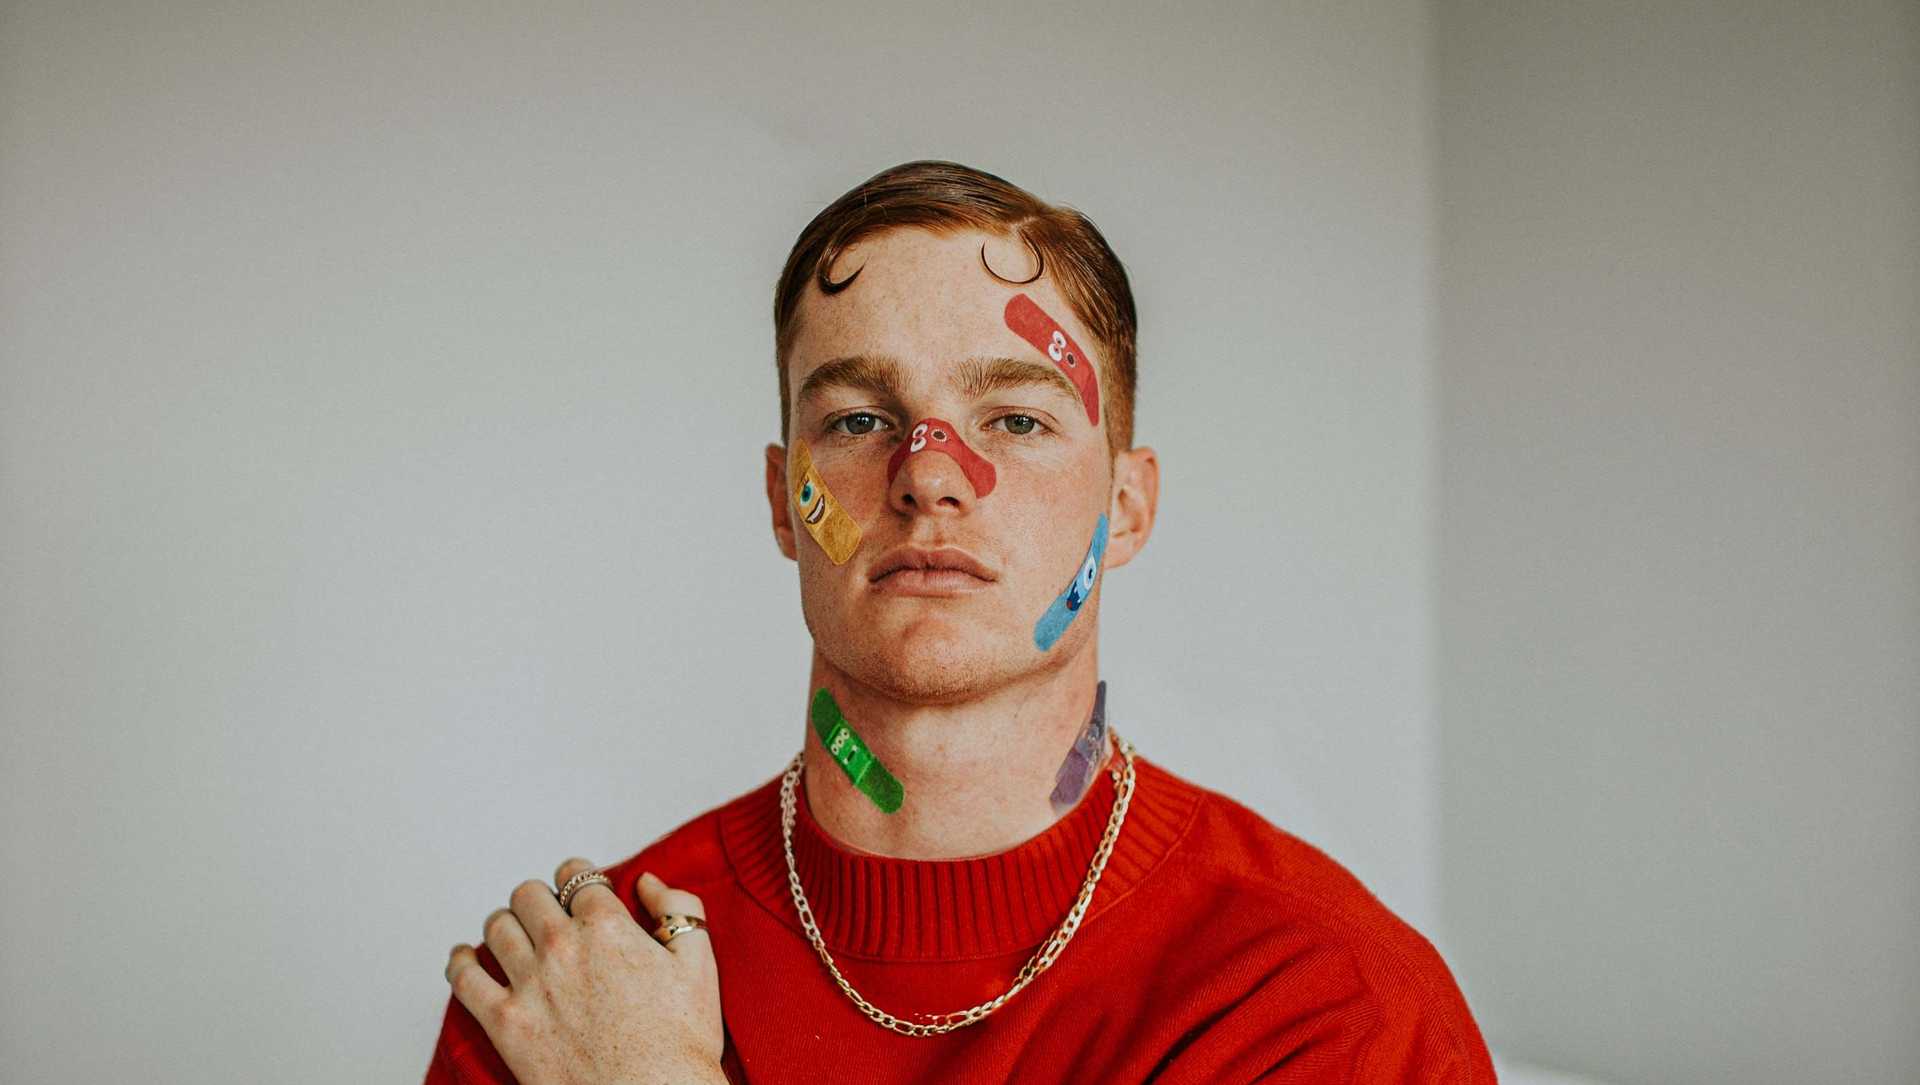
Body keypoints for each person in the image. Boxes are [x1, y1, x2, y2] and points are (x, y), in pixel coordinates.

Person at [425, 160, 1495, 1084]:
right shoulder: (581, 978)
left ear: (1125, 505)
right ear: (781, 499)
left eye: (1018, 418)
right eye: (856, 418)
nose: (931, 473)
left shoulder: (1318, 999)